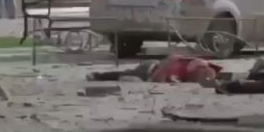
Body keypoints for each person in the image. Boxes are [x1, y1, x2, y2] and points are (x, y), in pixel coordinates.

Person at [89, 53, 221, 85]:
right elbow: (158, 77)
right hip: (149, 69)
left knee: (126, 74)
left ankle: (98, 76)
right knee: (126, 74)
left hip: (154, 66)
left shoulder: (190, 64)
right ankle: (98, 76)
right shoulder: (178, 69)